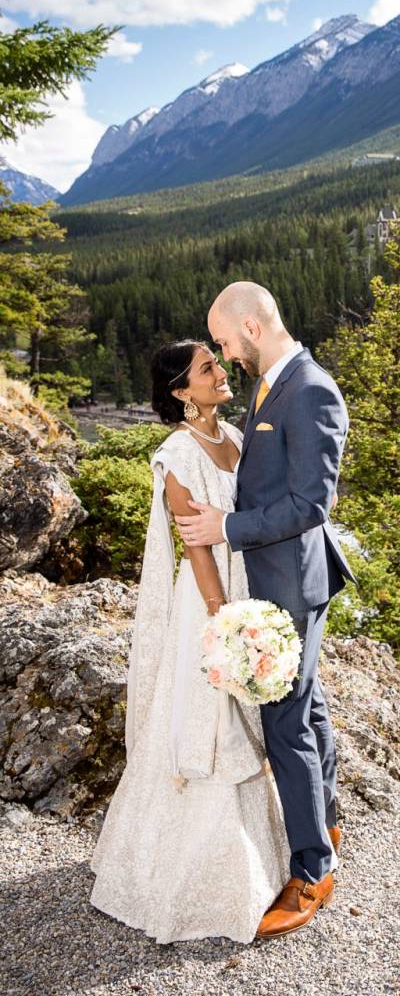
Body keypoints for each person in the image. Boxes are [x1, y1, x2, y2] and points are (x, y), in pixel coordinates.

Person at [90, 339, 291, 944]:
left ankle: (267, 856)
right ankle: (182, 876)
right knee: (209, 720)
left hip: (251, 584)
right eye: (207, 367)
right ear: (181, 392)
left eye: (216, 360)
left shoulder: (232, 434)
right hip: (212, 599)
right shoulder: (179, 453)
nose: (220, 370)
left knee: (248, 722)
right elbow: (194, 545)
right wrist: (223, 623)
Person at [175, 282, 355, 940]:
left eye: (224, 340)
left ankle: (312, 871)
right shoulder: (272, 384)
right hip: (282, 579)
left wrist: (227, 528)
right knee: (307, 708)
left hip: (293, 585)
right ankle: (327, 822)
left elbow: (312, 505)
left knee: (286, 722)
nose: (224, 353)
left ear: (251, 325)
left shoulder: (311, 390)